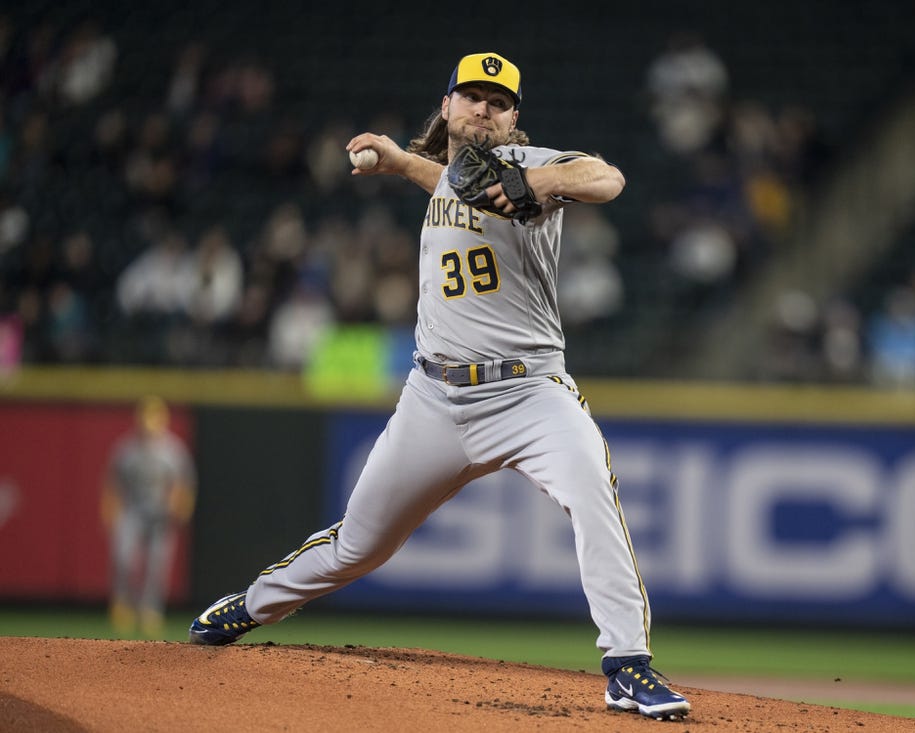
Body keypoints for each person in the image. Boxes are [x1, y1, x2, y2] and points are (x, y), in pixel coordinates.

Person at [187, 52, 691, 721]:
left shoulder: (528, 162)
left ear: (515, 119)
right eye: (472, 96)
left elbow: (606, 177)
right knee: (357, 546)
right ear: (448, 104)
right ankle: (253, 604)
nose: (484, 108)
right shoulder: (455, 174)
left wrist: (536, 181)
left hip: (528, 393)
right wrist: (400, 163)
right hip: (433, 397)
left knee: (593, 490)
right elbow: (453, 184)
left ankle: (627, 666)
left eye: (499, 101)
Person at [102, 395, 196, 636]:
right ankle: (123, 604)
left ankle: (150, 611)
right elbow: (113, 483)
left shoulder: (173, 450)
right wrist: (110, 509)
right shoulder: (126, 449)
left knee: (157, 565)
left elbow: (183, 484)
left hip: (160, 515)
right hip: (132, 510)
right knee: (123, 558)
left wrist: (180, 508)